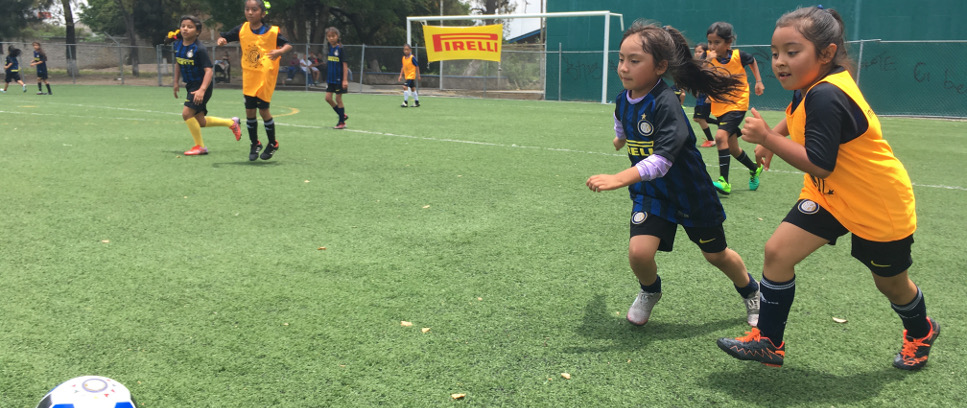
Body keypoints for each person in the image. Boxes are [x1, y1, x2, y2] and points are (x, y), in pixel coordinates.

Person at [716, 6, 939, 370]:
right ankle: (769, 341)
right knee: (777, 252)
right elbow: (797, 113)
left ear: (826, 53)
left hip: (877, 203)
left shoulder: (826, 94)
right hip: (829, 195)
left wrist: (769, 140)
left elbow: (820, 162)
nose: (779, 62)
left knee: (891, 284)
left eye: (792, 51)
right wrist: (776, 133)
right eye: (775, 54)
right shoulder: (811, 85)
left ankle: (921, 332)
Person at [585, 21, 760, 328]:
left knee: (716, 255)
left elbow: (663, 161)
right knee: (639, 253)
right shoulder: (622, 99)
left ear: (660, 66)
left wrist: (619, 178)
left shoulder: (666, 103)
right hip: (652, 193)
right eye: (621, 59)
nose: (624, 68)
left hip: (690, 192)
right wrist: (620, 138)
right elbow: (621, 120)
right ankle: (650, 291)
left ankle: (752, 290)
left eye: (634, 61)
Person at [216, 0, 292, 161]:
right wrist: (222, 40)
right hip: (250, 77)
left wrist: (280, 52)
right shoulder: (242, 29)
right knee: (250, 112)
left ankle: (272, 143)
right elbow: (225, 37)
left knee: (263, 110)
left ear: (262, 13)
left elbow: (287, 45)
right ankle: (254, 143)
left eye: (254, 10)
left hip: (265, 77)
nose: (250, 12)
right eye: (247, 9)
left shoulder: (272, 31)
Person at [167, 16, 243, 156]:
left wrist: (202, 90)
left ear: (197, 31)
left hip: (202, 85)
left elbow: (209, 70)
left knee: (186, 114)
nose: (185, 29)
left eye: (190, 27)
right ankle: (231, 123)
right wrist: (175, 82)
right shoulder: (177, 45)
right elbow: (178, 63)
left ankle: (200, 146)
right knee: (200, 121)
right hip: (190, 85)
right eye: (183, 25)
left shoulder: (199, 48)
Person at [705, 22, 765, 194]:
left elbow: (752, 61)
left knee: (720, 136)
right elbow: (701, 73)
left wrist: (759, 82)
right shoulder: (709, 57)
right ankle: (754, 168)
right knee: (732, 148)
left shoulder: (740, 56)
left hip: (738, 103)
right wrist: (706, 63)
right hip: (720, 106)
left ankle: (724, 182)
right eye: (710, 42)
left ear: (728, 42)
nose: (712, 46)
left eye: (717, 42)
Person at [325, 27, 349, 129]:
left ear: (337, 36)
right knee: (328, 98)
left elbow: (344, 65)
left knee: (338, 98)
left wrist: (345, 79)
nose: (331, 38)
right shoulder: (329, 47)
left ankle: (341, 122)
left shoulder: (340, 49)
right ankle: (342, 115)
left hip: (339, 79)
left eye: (333, 36)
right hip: (330, 79)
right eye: (329, 36)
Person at [693, 43, 717, 147]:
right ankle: (722, 124)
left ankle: (711, 140)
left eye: (700, 51)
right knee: (701, 118)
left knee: (699, 118)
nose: (697, 54)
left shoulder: (710, 64)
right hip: (701, 93)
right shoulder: (699, 64)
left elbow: (712, 79)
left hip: (706, 94)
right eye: (696, 51)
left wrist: (710, 95)